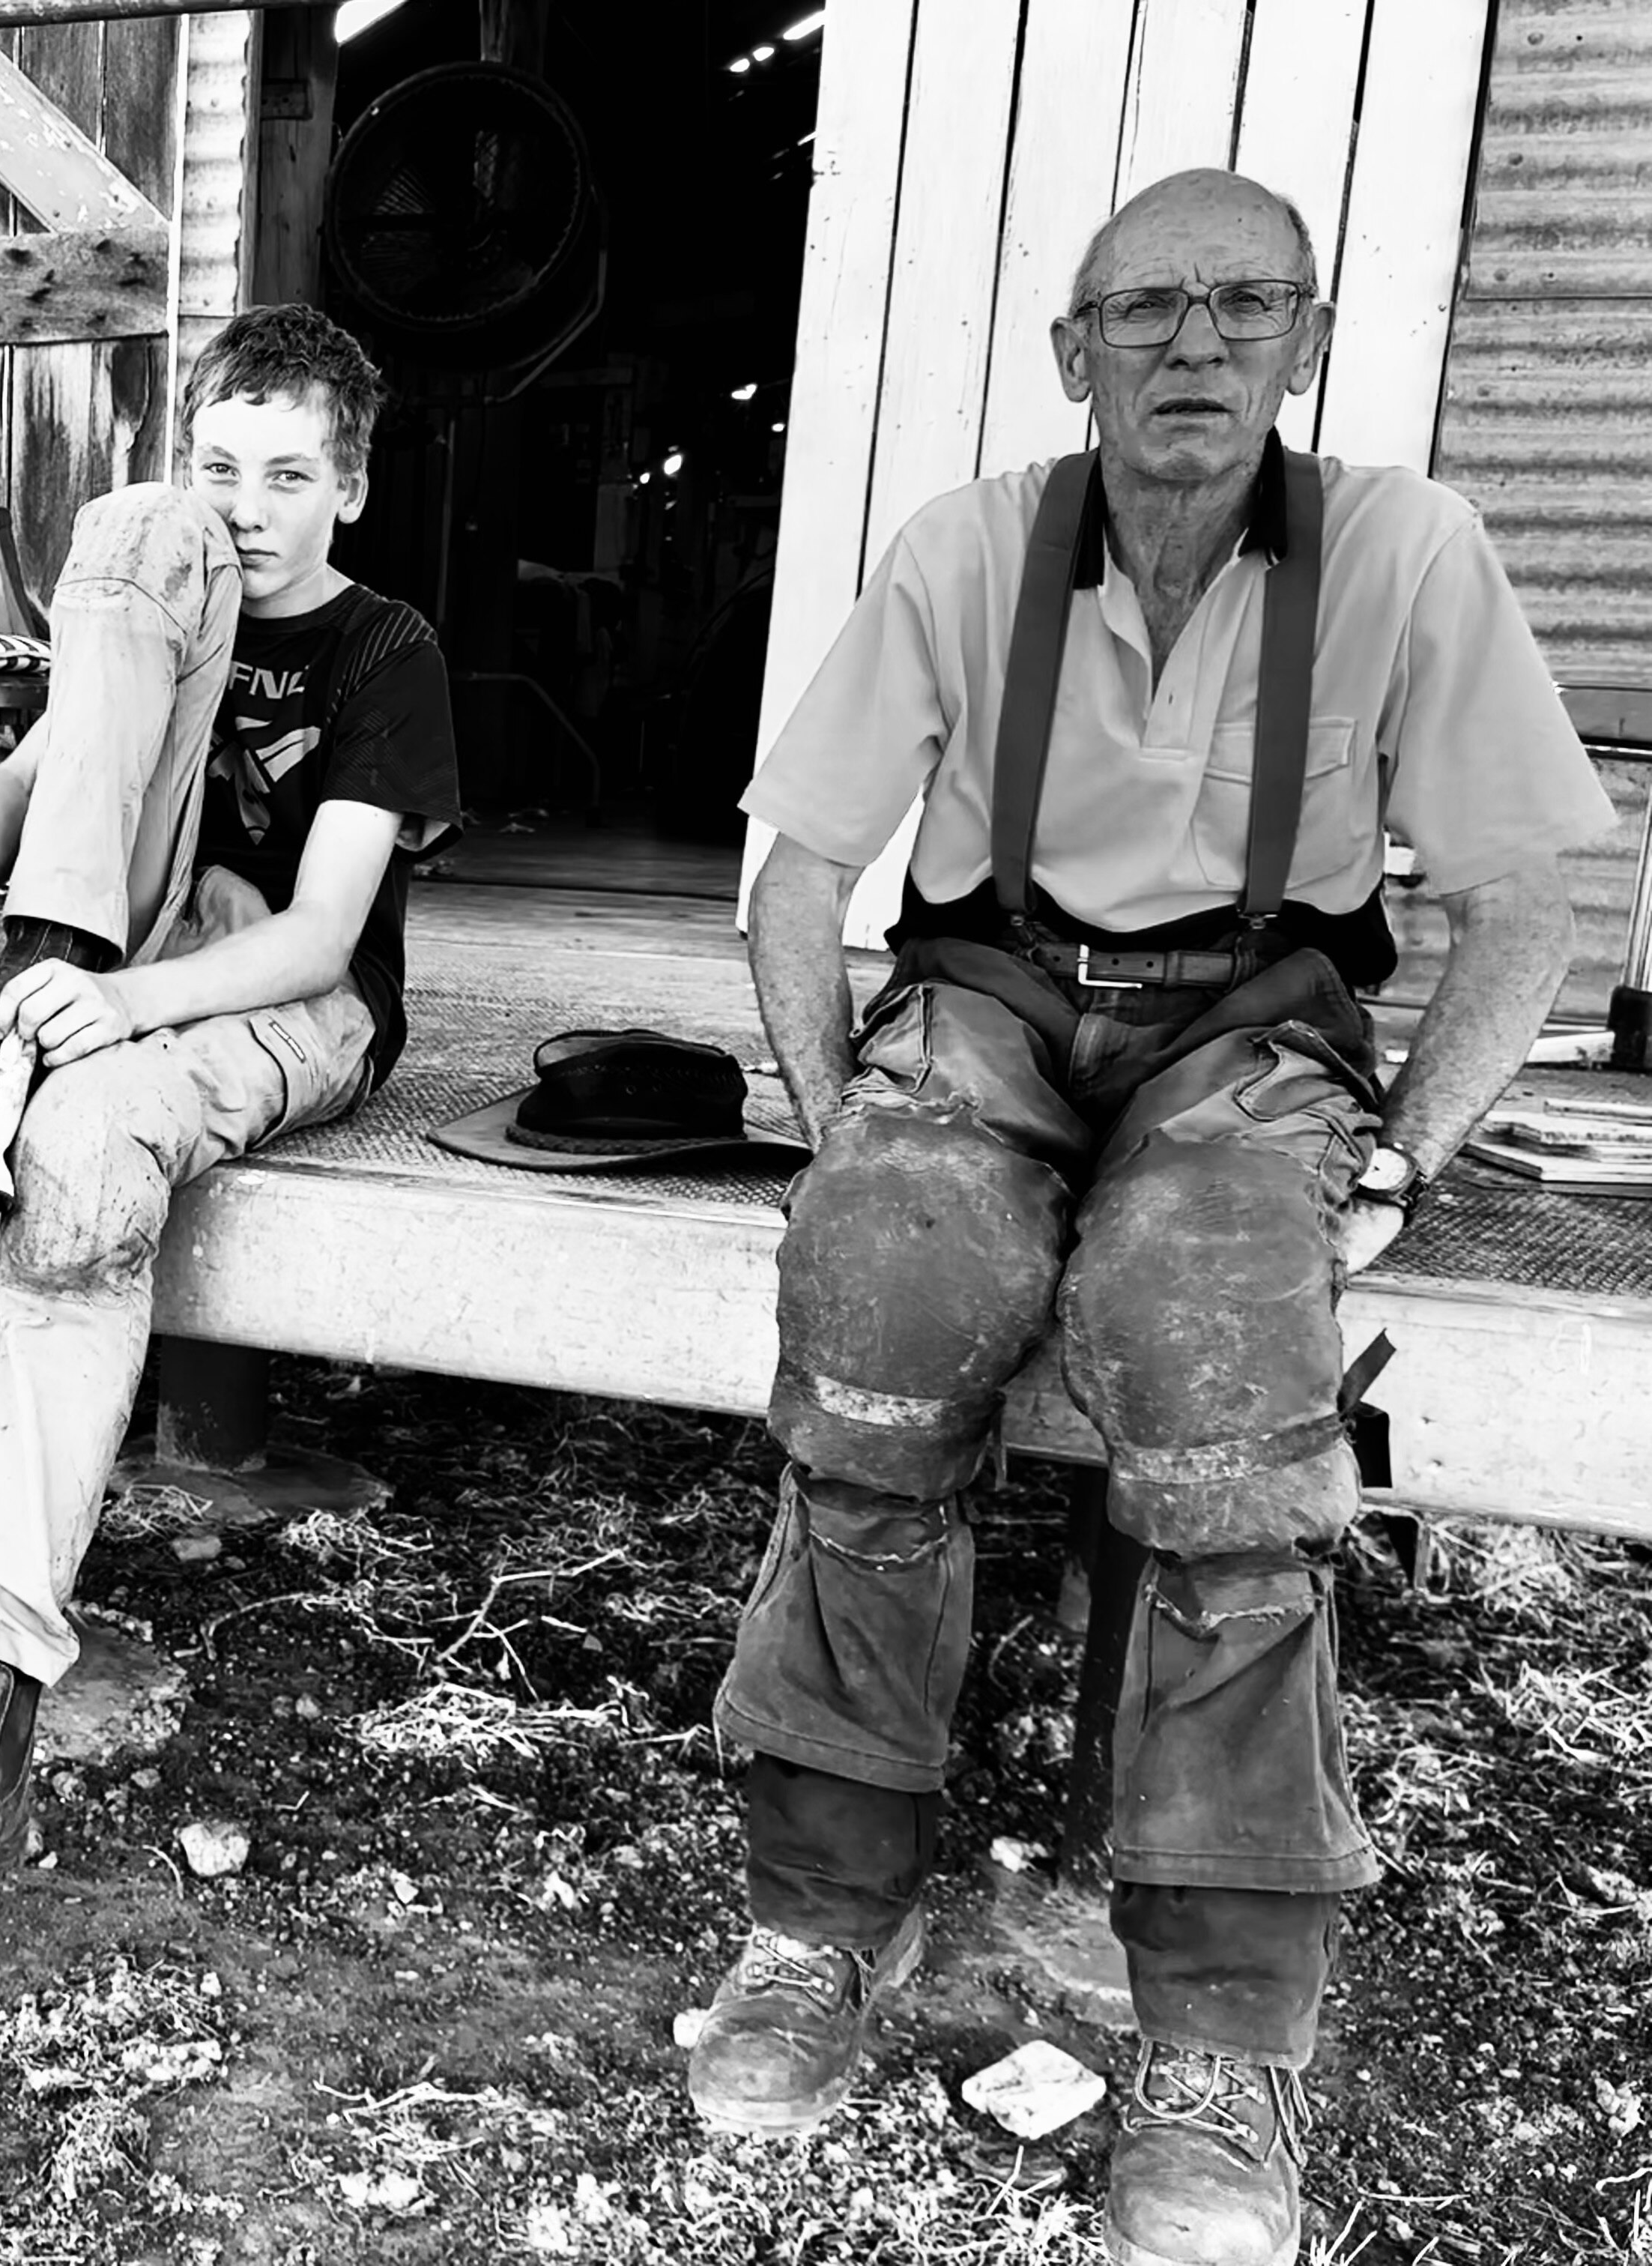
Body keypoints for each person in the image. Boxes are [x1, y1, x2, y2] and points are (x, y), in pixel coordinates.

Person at [693, 167, 1612, 2265]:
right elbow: (797, 874)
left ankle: (1218, 2029)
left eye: (1245, 304)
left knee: (1214, 1341)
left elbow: (1526, 900)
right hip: (994, 997)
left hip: (1253, 1026)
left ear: (1311, 338)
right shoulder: (964, 549)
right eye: (1146, 308)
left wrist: (1403, 1159)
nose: (1196, 345)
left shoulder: (1408, 548)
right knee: (885, 1274)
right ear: (1072, 352)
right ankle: (822, 1914)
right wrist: (841, 1124)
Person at [0, 304, 457, 1965]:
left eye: (289, 476)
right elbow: (25, 784)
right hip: (113, 951)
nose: (245, 508)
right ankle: (35, 1000)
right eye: (220, 467)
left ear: (351, 488)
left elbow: (323, 938)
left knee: (73, 1153)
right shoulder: (167, 589)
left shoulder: (384, 650)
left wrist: (120, 1010)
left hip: (282, 995)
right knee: (127, 539)